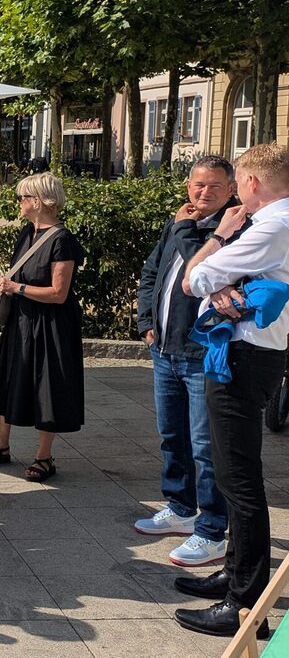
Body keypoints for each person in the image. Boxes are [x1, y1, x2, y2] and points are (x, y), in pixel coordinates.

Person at [174, 143, 289, 639]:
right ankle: (237, 574)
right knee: (231, 473)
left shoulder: (270, 226)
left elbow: (193, 278)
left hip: (244, 360)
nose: (237, 192)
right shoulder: (276, 225)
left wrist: (219, 239)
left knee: (239, 481)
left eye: (239, 181)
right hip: (255, 355)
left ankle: (244, 604)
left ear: (254, 183)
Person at [135, 156, 237, 567]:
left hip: (199, 355)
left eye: (214, 186)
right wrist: (146, 321)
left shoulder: (231, 230)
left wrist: (183, 227)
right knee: (171, 436)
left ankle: (213, 531)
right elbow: (151, 273)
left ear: (231, 189)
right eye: (198, 185)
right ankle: (180, 509)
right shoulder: (178, 223)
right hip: (164, 351)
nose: (203, 193)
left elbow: (201, 273)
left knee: (204, 447)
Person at [0, 171, 85, 482]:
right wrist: (10, 285)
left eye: (23, 197)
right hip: (20, 321)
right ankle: (1, 446)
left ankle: (44, 457)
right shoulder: (27, 233)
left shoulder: (63, 240)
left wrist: (16, 288)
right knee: (5, 381)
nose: (19, 202)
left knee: (45, 388)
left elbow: (58, 293)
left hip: (50, 325)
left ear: (37, 201)